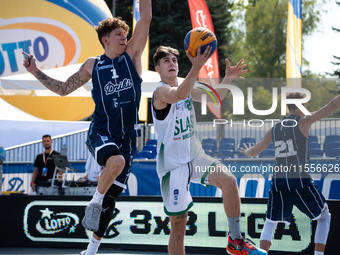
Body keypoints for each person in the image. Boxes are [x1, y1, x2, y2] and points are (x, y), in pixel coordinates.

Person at [23, 1, 151, 254]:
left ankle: (91, 249)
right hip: (101, 132)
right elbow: (62, 90)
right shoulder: (93, 65)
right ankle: (94, 202)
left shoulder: (132, 56)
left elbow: (145, 19)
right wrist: (36, 71)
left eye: (126, 35)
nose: (125, 38)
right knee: (115, 164)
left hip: (126, 139)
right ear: (105, 40)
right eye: (119, 35)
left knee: (110, 200)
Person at [151, 45, 266, 255]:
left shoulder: (185, 85)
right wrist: (196, 67)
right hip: (172, 165)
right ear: (157, 68)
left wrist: (228, 78)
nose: (172, 64)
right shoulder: (160, 91)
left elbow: (215, 97)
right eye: (166, 61)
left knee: (229, 182)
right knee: (178, 225)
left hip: (194, 156)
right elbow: (177, 94)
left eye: (174, 60)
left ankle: (235, 241)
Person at [239, 92, 336, 255]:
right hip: (299, 180)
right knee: (325, 216)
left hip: (278, 181)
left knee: (270, 222)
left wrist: (247, 151)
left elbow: (253, 152)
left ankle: (262, 253)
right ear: (301, 105)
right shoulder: (304, 122)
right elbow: (332, 105)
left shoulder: (274, 129)